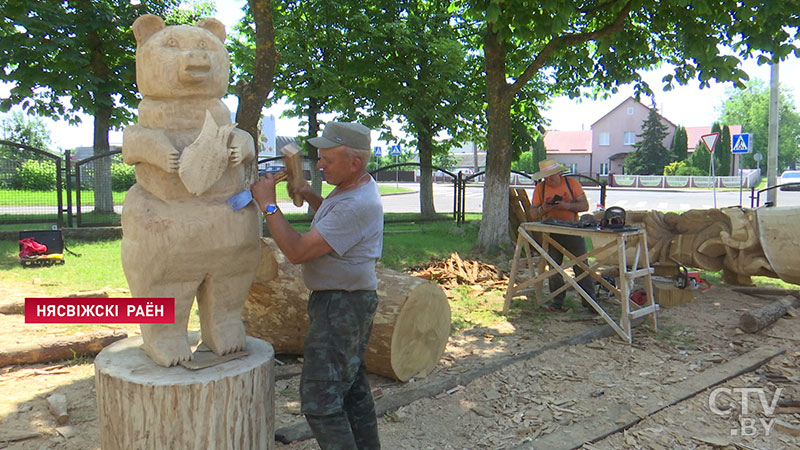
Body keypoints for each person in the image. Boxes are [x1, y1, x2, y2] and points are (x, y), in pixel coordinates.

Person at [251, 121, 383, 450]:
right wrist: (308, 193)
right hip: (345, 302)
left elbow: (297, 252)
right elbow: (332, 215)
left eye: (328, 159)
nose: (320, 164)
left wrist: (268, 205)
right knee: (350, 388)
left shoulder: (357, 203)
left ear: (355, 163)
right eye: (319, 157)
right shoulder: (355, 187)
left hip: (342, 307)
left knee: (320, 402)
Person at [528, 158, 596, 313]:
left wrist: (567, 206)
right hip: (551, 229)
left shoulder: (571, 184)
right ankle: (557, 301)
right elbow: (533, 213)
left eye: (551, 175)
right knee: (554, 267)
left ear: (559, 173)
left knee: (581, 265)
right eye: (546, 177)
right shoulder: (540, 188)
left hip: (572, 228)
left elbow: (584, 205)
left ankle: (590, 301)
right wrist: (543, 209)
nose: (549, 179)